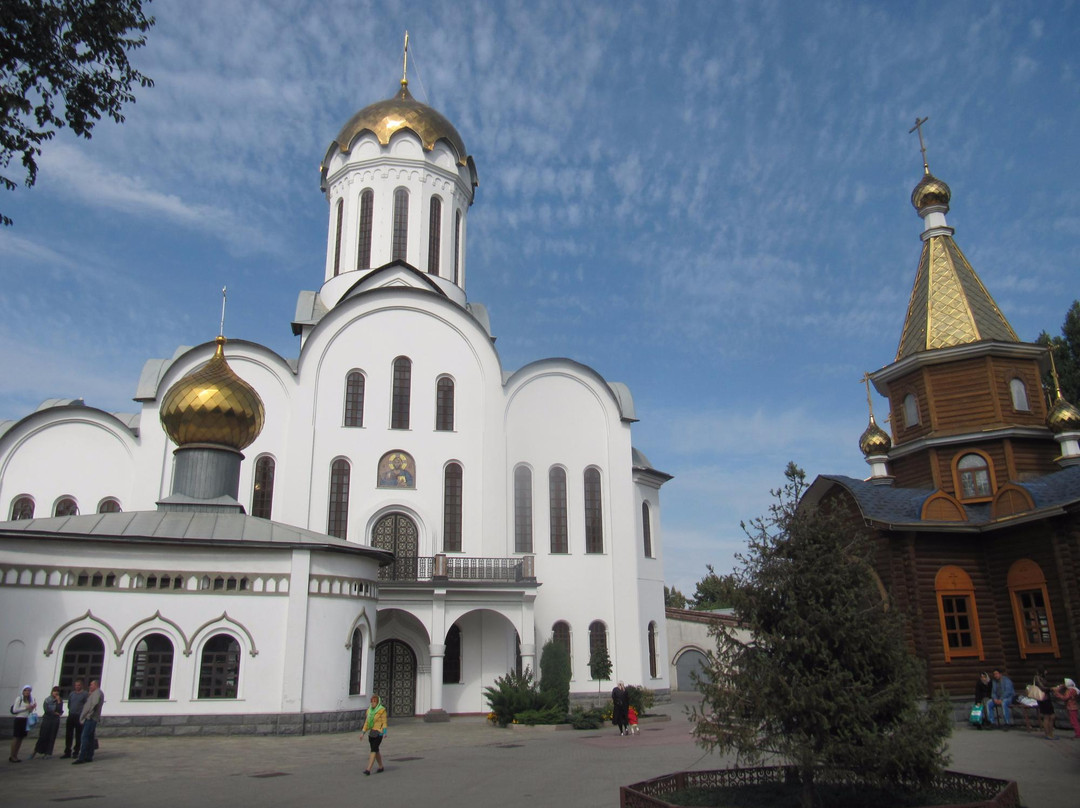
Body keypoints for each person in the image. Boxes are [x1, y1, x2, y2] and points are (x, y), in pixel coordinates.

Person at [72, 680, 104, 764]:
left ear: (95, 685)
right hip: (92, 718)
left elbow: (94, 705)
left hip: (91, 718)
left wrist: (88, 715)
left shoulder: (97, 693)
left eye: (91, 685)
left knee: (84, 737)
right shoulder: (95, 693)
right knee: (90, 737)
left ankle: (82, 756)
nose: (90, 686)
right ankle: (89, 756)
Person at [31, 686, 63, 758]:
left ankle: (47, 753)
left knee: (51, 736)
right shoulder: (47, 700)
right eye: (55, 691)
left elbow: (60, 710)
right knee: (43, 735)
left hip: (55, 720)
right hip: (47, 719)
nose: (56, 693)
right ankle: (35, 751)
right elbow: (46, 709)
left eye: (57, 691)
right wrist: (54, 713)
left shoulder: (59, 700)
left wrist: (58, 702)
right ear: (52, 692)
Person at [360, 694, 387, 775]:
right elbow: (367, 722)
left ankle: (368, 769)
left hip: (379, 733)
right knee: (376, 750)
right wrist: (363, 733)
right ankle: (381, 766)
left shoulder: (382, 710)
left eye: (375, 701)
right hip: (371, 733)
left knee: (373, 750)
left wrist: (385, 732)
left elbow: (384, 722)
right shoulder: (369, 711)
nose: (373, 703)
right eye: (372, 701)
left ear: (378, 702)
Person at [9, 685, 36, 763]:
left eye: (29, 690)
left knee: (21, 738)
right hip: (19, 719)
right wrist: (25, 708)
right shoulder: (19, 698)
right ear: (23, 691)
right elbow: (15, 710)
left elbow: (29, 711)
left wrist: (32, 708)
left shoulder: (29, 700)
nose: (27, 692)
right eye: (26, 690)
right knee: (16, 737)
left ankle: (16, 755)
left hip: (25, 719)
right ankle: (12, 755)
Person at [63, 679, 88, 759]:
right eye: (76, 685)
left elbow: (86, 705)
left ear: (82, 686)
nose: (77, 687)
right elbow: (69, 704)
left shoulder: (85, 694)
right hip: (71, 715)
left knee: (78, 735)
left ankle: (76, 751)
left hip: (79, 716)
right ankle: (67, 751)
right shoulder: (72, 694)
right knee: (68, 734)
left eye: (79, 685)